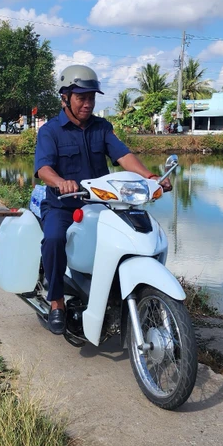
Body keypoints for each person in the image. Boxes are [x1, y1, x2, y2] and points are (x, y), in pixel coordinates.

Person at [34, 64, 171, 335]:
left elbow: (123, 156)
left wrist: (150, 176)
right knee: (53, 239)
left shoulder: (102, 127)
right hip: (64, 205)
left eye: (92, 97)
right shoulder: (50, 131)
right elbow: (43, 169)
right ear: (65, 98)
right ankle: (57, 301)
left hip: (101, 205)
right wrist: (61, 182)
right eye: (81, 97)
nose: (88, 103)